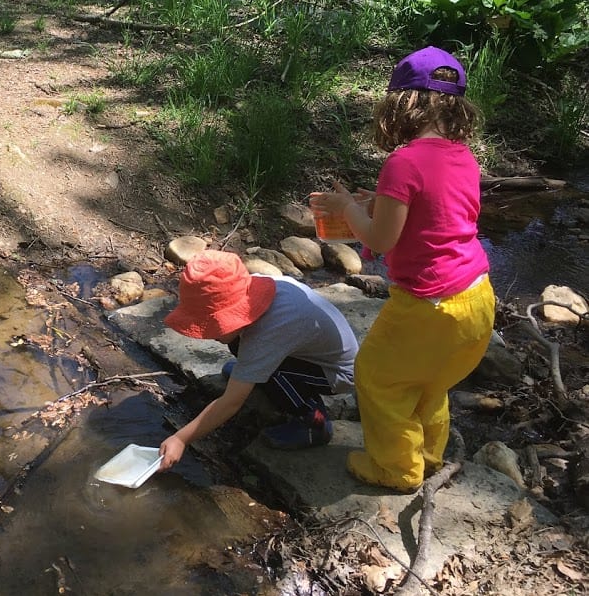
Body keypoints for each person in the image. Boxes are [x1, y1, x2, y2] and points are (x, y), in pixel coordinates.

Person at [313, 46, 494, 492]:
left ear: (400, 102)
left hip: (429, 305)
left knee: (378, 377)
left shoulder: (403, 161)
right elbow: (438, 213)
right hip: (477, 295)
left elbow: (378, 240)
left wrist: (349, 207)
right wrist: (375, 205)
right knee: (430, 383)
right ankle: (429, 456)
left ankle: (396, 469)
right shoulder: (463, 155)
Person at [158, 250, 358, 470]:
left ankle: (314, 421)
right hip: (304, 353)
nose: (209, 335)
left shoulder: (270, 331)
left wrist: (181, 438)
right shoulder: (256, 287)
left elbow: (231, 403)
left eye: (211, 326)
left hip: (338, 374)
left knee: (271, 370)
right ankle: (251, 375)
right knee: (246, 352)